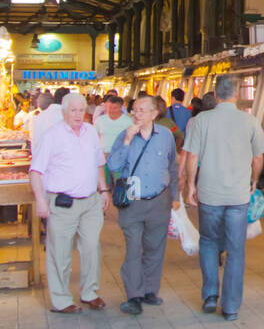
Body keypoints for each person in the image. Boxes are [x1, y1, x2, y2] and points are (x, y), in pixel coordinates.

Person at [182, 74, 264, 321]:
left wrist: (190, 186)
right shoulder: (249, 121)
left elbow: (192, 158)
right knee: (236, 249)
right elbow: (258, 157)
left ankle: (210, 295)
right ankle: (230, 306)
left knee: (208, 242)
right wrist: (253, 180)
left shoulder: (201, 121)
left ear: (216, 94)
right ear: (237, 93)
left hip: (209, 194)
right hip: (238, 196)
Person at [29, 91, 111, 313]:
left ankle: (90, 292)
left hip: (90, 202)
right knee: (60, 253)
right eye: (73, 110)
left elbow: (98, 163)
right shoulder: (52, 135)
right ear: (64, 112)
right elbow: (36, 171)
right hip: (62, 204)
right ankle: (61, 299)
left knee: (92, 248)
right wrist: (40, 200)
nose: (77, 114)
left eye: (81, 110)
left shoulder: (90, 132)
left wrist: (103, 190)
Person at [108, 93, 180, 316]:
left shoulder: (166, 135)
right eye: (134, 109)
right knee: (132, 249)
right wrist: (128, 141)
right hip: (132, 202)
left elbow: (172, 167)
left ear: (154, 114)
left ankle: (150, 290)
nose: (136, 113)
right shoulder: (125, 135)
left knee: (155, 248)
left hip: (159, 200)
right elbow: (113, 164)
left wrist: (175, 196)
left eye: (141, 110)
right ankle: (134, 295)